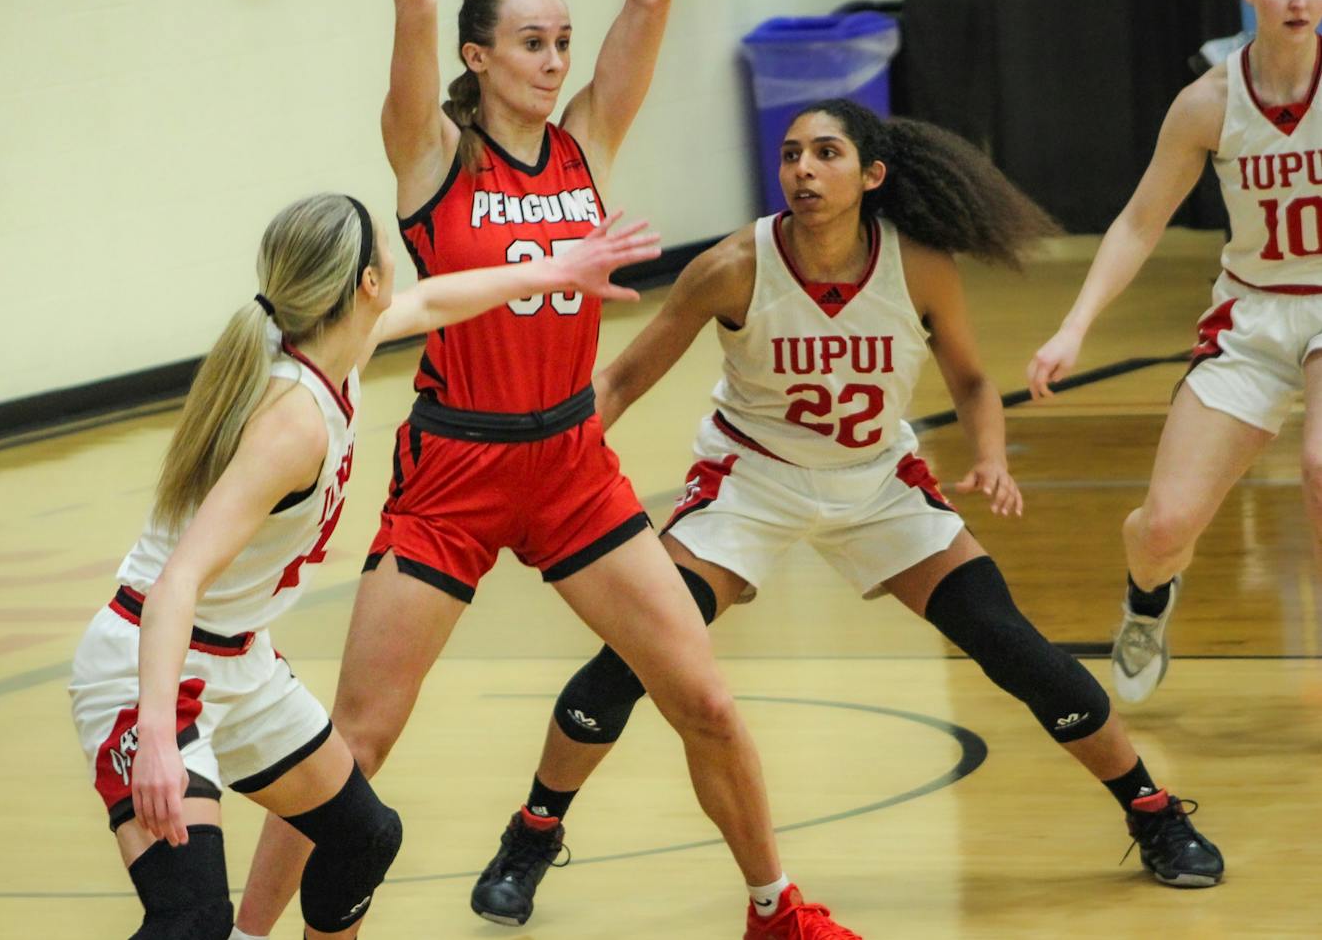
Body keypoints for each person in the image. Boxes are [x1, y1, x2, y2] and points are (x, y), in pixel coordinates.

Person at [231, 0, 861, 939]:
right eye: (531, 41)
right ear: (479, 59)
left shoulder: (588, 144)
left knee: (704, 698)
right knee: (355, 744)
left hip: (572, 463)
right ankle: (246, 933)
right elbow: (416, 6)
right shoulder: (431, 157)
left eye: (564, 40)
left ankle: (776, 910)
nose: (557, 59)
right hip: (455, 469)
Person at [467, 98, 1228, 930]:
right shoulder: (733, 266)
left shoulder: (920, 266)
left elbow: (973, 380)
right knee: (630, 662)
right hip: (750, 482)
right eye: (791, 154)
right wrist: (546, 465)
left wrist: (991, 453)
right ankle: (531, 835)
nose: (802, 169)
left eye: (825, 153)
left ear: (871, 175)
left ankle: (1154, 812)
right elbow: (615, 382)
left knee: (1011, 644)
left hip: (877, 483)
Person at [69, 191, 658, 940]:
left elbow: (441, 298)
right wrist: (156, 734)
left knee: (362, 834)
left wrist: (558, 268)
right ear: (366, 284)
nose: (397, 265)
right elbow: (176, 581)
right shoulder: (292, 423)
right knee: (190, 920)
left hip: (235, 660)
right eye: (387, 249)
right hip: (146, 667)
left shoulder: (334, 348)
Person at [1027, 0, 1322, 704]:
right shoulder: (1208, 102)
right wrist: (1073, 326)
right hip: (1251, 315)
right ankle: (1147, 601)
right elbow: (1137, 222)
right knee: (1163, 529)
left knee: (1321, 465)